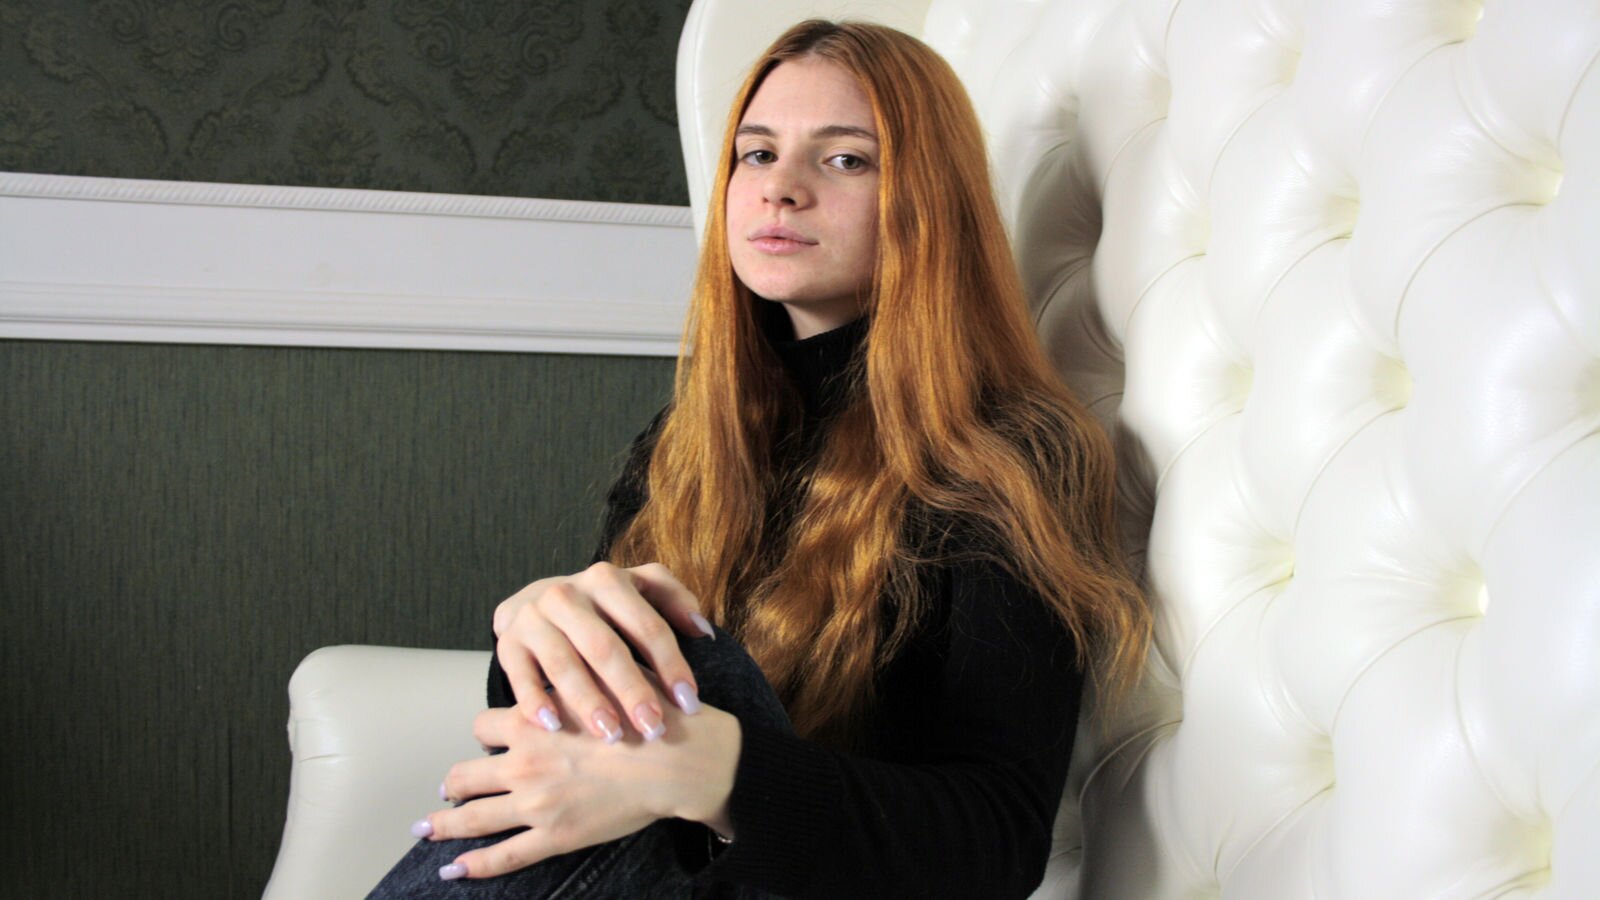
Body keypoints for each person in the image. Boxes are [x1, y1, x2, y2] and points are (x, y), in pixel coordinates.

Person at [369, 18, 1150, 900]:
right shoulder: (689, 439)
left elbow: (997, 842)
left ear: (928, 199)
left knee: (683, 661)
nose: (781, 188)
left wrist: (719, 773)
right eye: (757, 154)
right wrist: (534, 631)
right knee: (624, 622)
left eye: (845, 159)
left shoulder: (1006, 454)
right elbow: (575, 755)